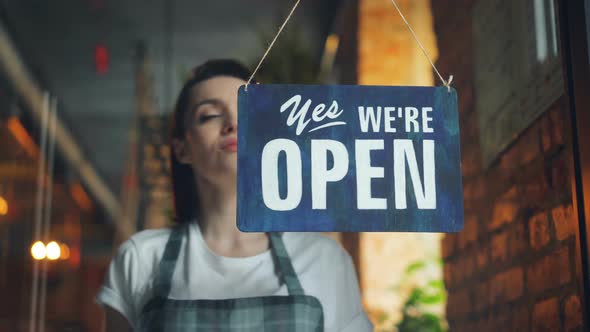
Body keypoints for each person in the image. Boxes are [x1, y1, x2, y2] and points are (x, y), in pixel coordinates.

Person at [96, 59, 373, 331]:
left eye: (247, 111)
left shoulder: (324, 260)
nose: (232, 122)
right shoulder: (141, 259)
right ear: (182, 149)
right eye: (210, 115)